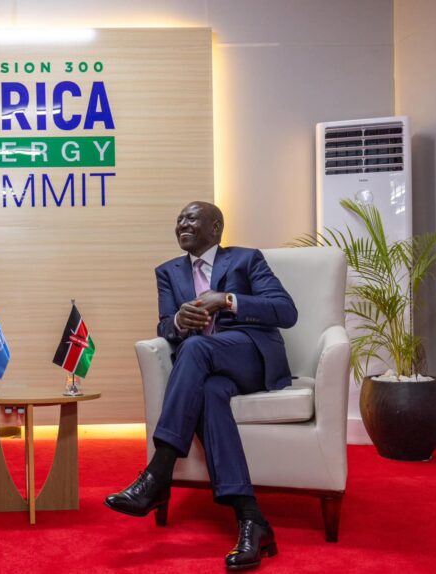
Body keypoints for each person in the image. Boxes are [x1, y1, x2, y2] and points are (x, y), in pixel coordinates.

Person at [104, 201, 297, 571]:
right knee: (207, 390)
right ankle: (251, 519)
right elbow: (164, 328)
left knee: (194, 349)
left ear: (216, 226)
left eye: (190, 218)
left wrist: (226, 300)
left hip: (250, 355)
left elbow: (286, 311)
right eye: (178, 220)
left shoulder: (245, 259)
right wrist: (178, 319)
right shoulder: (167, 272)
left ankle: (158, 474)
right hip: (208, 369)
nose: (181, 224)